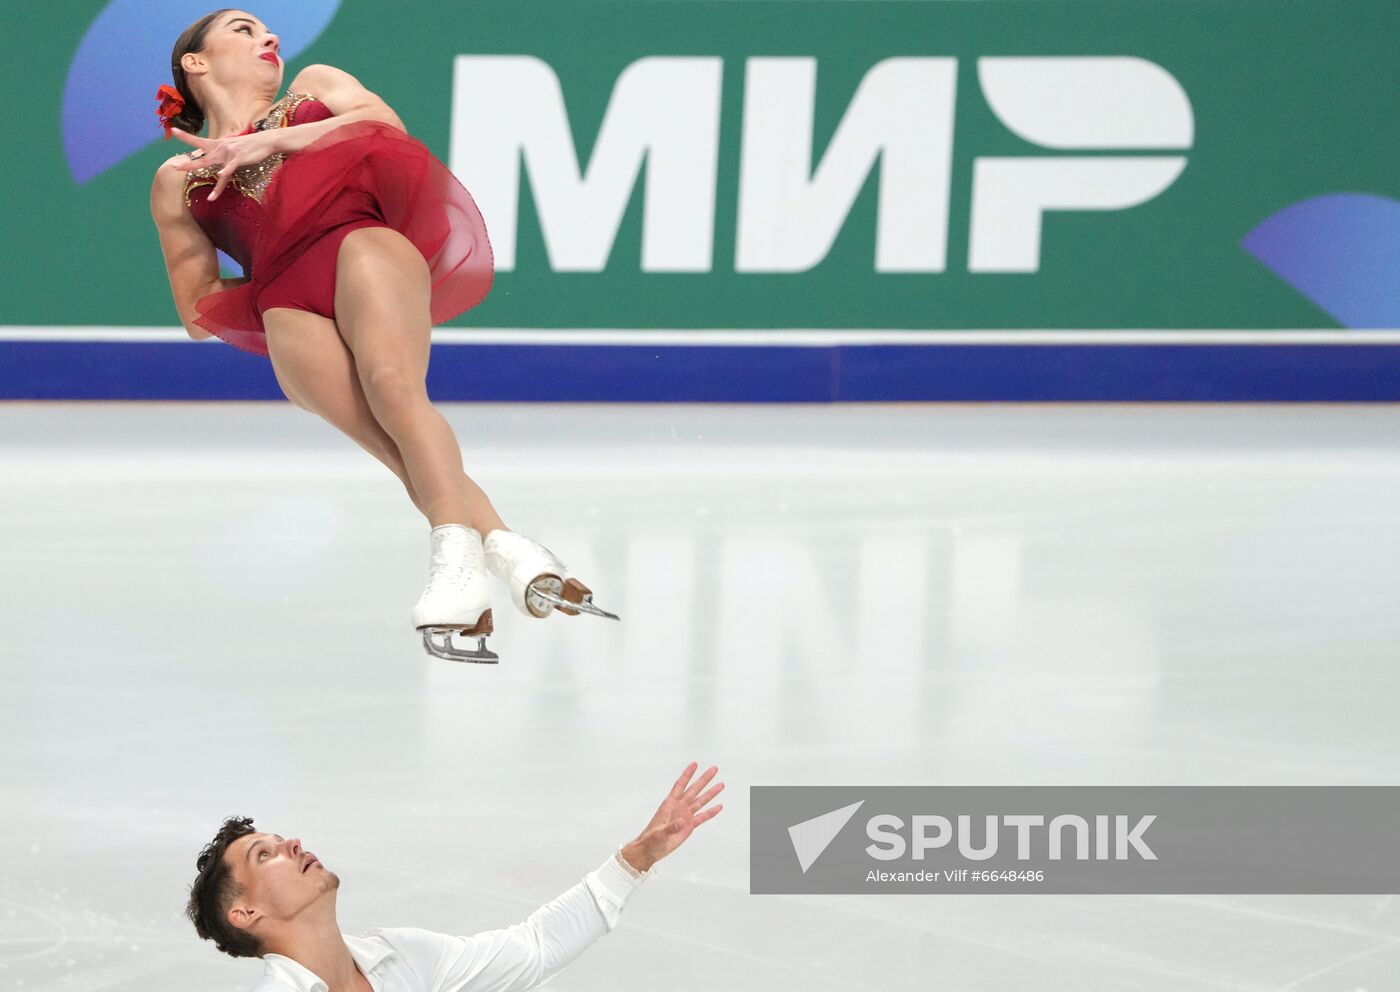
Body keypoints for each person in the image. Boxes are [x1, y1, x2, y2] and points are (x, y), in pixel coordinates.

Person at [148, 9, 615, 664]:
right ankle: (515, 554)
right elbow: (197, 309)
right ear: (195, 63)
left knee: (396, 391)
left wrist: (270, 143)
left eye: (267, 30)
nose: (269, 38)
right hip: (287, 302)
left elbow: (383, 128)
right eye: (244, 29)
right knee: (393, 448)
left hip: (361, 248)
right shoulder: (178, 180)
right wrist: (260, 286)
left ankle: (454, 570)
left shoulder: (314, 87)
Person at [186, 763, 724, 991]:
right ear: (245, 913)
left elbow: (534, 948)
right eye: (266, 855)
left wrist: (636, 859)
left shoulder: (403, 959)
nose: (293, 844)